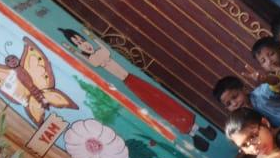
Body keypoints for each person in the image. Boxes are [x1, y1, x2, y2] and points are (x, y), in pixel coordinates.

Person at [61, 28, 198, 135]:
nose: (84, 45)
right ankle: (185, 127)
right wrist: (71, 49)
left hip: (133, 78)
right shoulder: (92, 59)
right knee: (157, 105)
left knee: (162, 98)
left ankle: (190, 121)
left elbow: (102, 47)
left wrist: (91, 36)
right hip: (129, 84)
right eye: (78, 44)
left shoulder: (101, 51)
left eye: (82, 40)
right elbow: (83, 57)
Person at [213, 75, 280, 128]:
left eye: (235, 97)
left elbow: (277, 83)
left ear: (244, 89)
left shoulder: (261, 94)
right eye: (229, 104)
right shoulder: (245, 119)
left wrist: (266, 79)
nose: (234, 104)